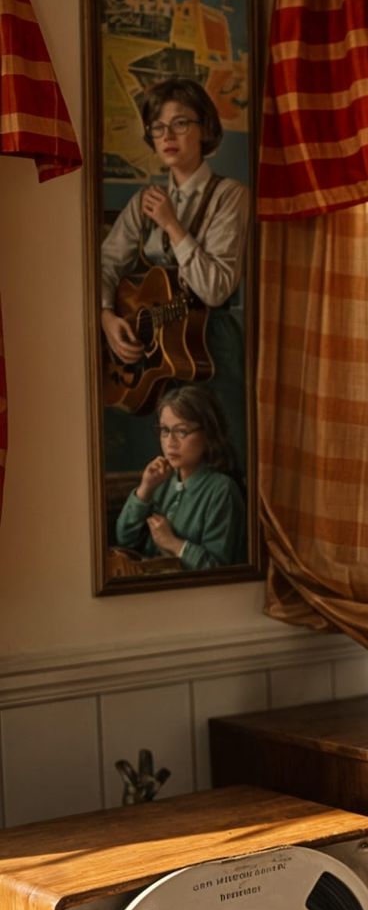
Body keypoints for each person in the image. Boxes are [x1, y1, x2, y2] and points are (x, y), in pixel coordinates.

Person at [98, 76, 247, 361]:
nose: (167, 136)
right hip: (151, 351)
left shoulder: (230, 196)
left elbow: (215, 290)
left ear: (204, 129)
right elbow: (106, 264)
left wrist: (171, 225)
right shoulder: (143, 202)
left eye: (180, 124)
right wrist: (106, 316)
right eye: (158, 127)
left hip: (207, 345)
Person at [115, 383, 247, 570]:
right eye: (165, 431)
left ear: (208, 433)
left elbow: (218, 569)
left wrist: (173, 543)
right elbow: (125, 540)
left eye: (181, 431)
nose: (170, 443)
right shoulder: (161, 480)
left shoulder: (222, 490)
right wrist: (145, 490)